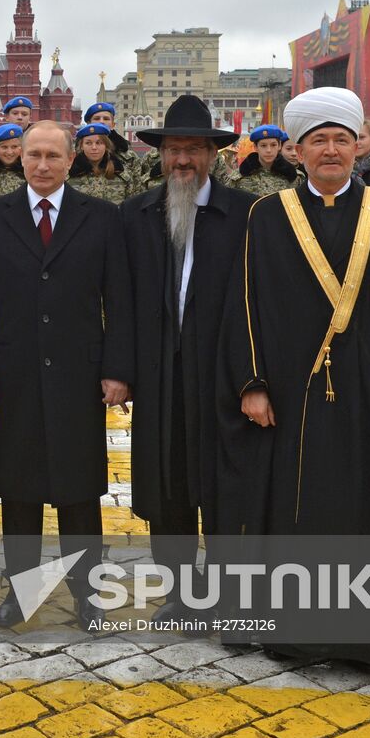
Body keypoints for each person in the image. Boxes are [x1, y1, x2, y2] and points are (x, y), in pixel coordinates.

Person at [219, 87, 370, 665]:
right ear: (298, 151)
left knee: (365, 507)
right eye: (319, 141)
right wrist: (252, 383)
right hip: (291, 394)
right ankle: (293, 632)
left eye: (342, 139)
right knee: (295, 510)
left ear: (359, 147)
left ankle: (365, 637)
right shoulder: (268, 216)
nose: (332, 150)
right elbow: (244, 303)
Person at [0, 120, 133, 630]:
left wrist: (117, 370)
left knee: (79, 490)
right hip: (14, 371)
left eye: (53, 156)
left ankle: (87, 592)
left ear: (70, 160)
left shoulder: (102, 217)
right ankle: (22, 592)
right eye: (34, 155)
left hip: (80, 374)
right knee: (18, 490)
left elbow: (119, 300)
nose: (42, 165)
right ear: (21, 158)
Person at [120, 95, 254, 622]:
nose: (183, 160)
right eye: (174, 149)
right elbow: (120, 301)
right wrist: (121, 372)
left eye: (194, 149)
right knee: (168, 488)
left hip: (222, 377)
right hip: (160, 377)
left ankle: (225, 592)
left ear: (212, 155)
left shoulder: (246, 214)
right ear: (160, 154)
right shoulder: (135, 215)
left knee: (224, 487)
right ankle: (181, 592)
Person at [67, 122, 135, 204]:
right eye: (88, 143)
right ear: (81, 146)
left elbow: (132, 207)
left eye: (99, 143)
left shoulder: (123, 176)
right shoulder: (69, 177)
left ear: (106, 146)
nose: (94, 147)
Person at [234, 124, 302, 196]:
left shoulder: (295, 177)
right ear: (255, 147)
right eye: (263, 145)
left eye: (273, 145)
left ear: (279, 146)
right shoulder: (238, 178)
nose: (268, 150)